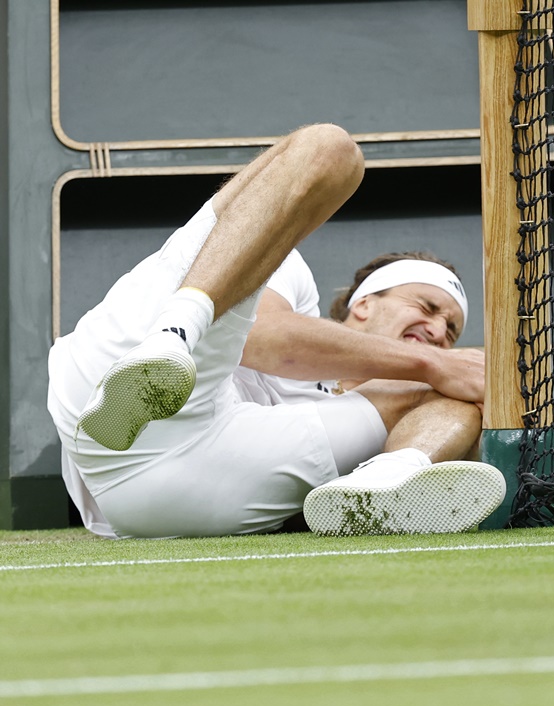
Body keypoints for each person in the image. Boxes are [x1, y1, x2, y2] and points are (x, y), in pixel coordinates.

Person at [46, 123, 506, 539]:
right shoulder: (288, 277)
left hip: (174, 494)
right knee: (331, 150)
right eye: (426, 306)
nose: (439, 329)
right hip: (109, 387)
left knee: (457, 398)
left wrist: (448, 408)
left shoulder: (385, 412)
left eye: (451, 329)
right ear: (365, 302)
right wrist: (435, 363)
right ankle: (174, 333)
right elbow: (264, 339)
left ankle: (387, 484)